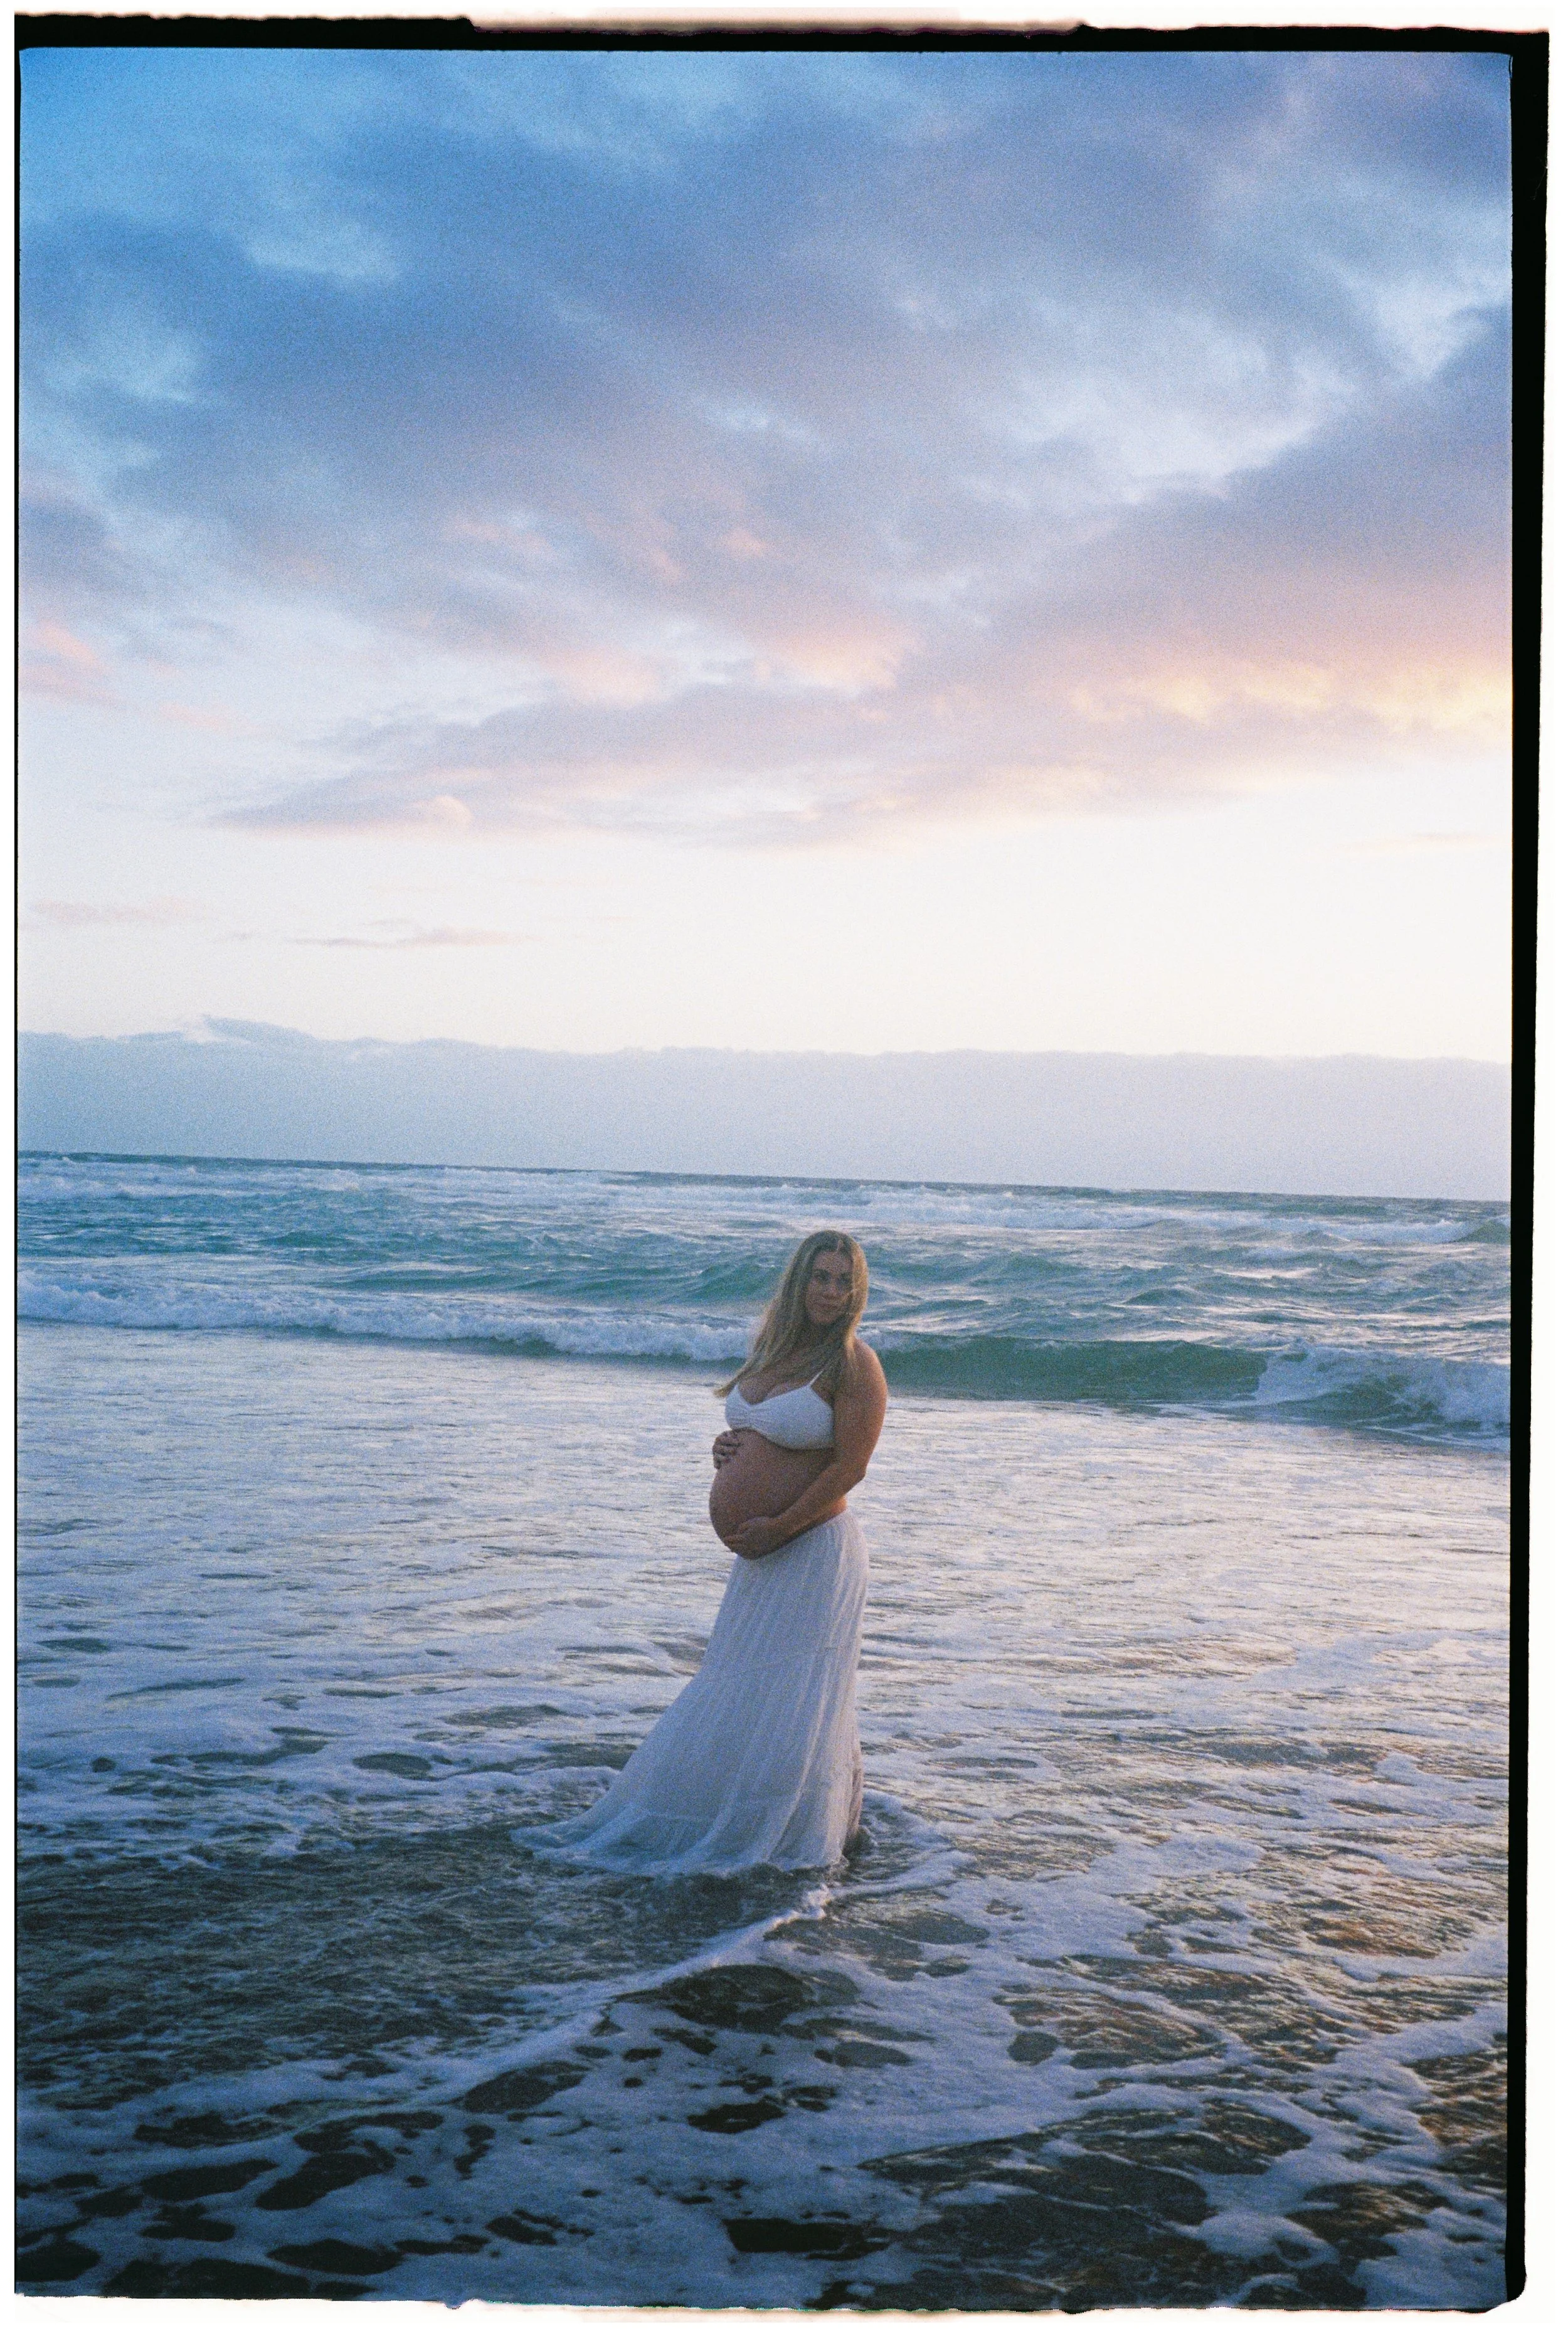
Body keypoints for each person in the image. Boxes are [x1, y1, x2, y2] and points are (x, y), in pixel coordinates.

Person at [538, 1232, 887, 1874]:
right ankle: (798, 1820)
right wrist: (730, 1452)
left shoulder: (852, 1362)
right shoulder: (773, 1351)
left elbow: (849, 1467)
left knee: (800, 1693)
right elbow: (770, 1435)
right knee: (751, 1683)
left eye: (844, 1280)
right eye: (821, 1276)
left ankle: (811, 1835)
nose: (831, 1291)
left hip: (813, 1551)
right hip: (765, 1554)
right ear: (798, 1281)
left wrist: (780, 1522)